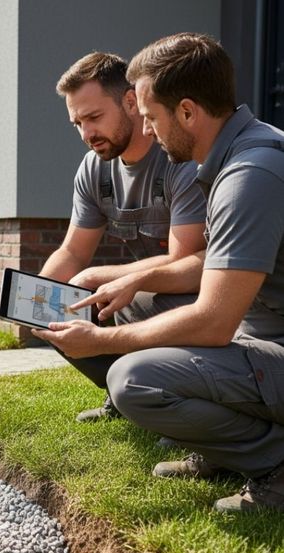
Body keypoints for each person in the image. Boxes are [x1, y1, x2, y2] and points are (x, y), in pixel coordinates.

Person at [33, 32, 284, 514]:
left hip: (270, 342)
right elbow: (215, 279)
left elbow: (213, 322)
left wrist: (102, 341)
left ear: (187, 112)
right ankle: (222, 448)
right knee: (128, 324)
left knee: (134, 379)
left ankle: (275, 463)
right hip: (261, 333)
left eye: (150, 116)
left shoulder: (249, 175)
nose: (148, 129)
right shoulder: (235, 158)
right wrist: (127, 282)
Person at [40, 52, 206, 422]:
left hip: (194, 294)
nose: (86, 134)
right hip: (146, 290)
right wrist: (37, 296)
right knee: (59, 310)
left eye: (94, 117)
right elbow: (72, 251)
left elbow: (187, 262)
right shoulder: (94, 170)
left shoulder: (176, 159)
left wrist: (100, 277)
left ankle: (171, 398)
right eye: (77, 123)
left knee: (118, 297)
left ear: (131, 102)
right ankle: (122, 395)